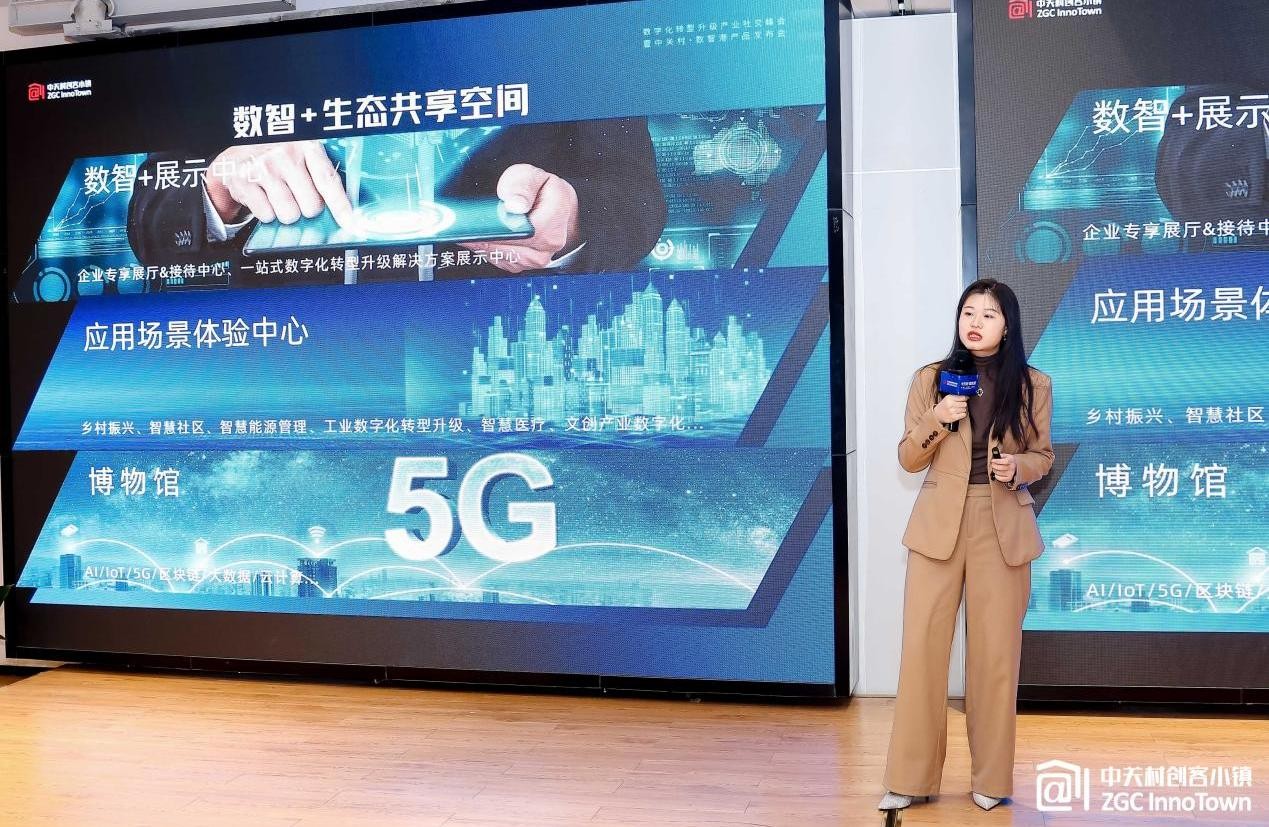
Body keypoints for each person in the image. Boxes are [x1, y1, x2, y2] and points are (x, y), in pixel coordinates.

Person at [879, 279, 1054, 814]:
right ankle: (910, 777)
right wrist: (938, 418)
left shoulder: (1033, 384)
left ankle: (992, 778)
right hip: (938, 526)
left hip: (1002, 526)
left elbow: (1043, 457)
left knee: (995, 659)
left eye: (989, 314)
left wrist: (1017, 467)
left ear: (1008, 325)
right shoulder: (930, 380)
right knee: (921, 654)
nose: (975, 322)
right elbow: (908, 458)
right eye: (968, 312)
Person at [127, 118, 668, 284]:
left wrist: (572, 219)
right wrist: (221, 185)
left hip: (497, 366)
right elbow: (153, 230)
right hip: (289, 375)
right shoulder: (239, 52)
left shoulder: (569, 35)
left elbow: (636, 198)